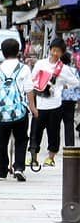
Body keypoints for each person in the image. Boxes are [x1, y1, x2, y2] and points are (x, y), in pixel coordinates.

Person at [29, 38, 79, 167]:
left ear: (62, 53)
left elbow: (75, 82)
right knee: (35, 132)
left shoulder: (64, 69)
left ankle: (51, 157)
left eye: (58, 51)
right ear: (50, 49)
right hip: (40, 104)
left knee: (53, 132)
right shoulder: (40, 64)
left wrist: (62, 86)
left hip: (55, 105)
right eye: (53, 50)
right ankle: (33, 157)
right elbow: (32, 79)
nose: (55, 53)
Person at [0, 38, 36, 181]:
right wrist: (33, 107)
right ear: (18, 51)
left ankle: (2, 170)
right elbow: (29, 89)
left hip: (2, 112)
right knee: (21, 139)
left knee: (1, 140)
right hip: (20, 111)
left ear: (3, 52)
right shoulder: (24, 69)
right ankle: (18, 168)